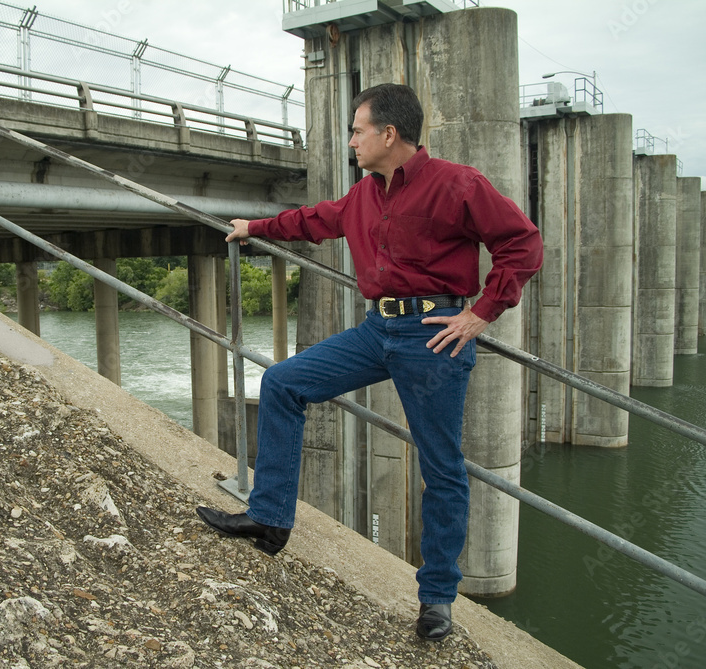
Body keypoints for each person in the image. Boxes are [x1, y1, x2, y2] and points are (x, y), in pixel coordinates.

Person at [196, 83, 543, 641]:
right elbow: (312, 220)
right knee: (284, 382)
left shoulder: (458, 184)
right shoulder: (364, 194)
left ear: (389, 133)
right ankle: (269, 518)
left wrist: (480, 313)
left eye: (357, 130)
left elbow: (522, 244)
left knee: (442, 469)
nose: (351, 141)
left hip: (433, 337)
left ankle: (436, 601)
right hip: (376, 329)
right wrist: (254, 229)